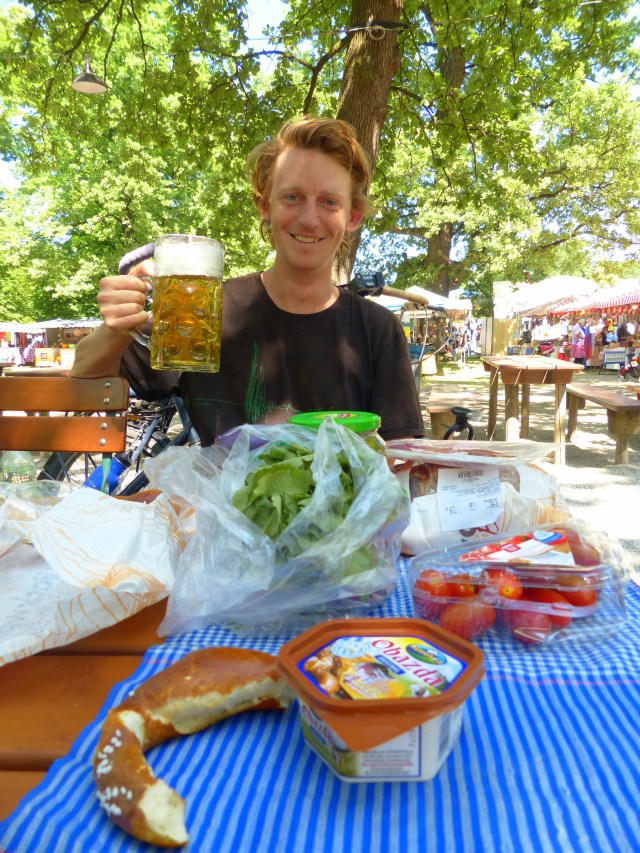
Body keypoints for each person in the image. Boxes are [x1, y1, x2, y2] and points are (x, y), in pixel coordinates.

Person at [71, 116, 425, 445]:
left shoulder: (376, 330)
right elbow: (86, 377)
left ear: (353, 218)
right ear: (265, 204)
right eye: (292, 197)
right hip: (221, 510)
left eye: (329, 202)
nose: (309, 218)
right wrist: (118, 327)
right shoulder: (206, 315)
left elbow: (400, 457)